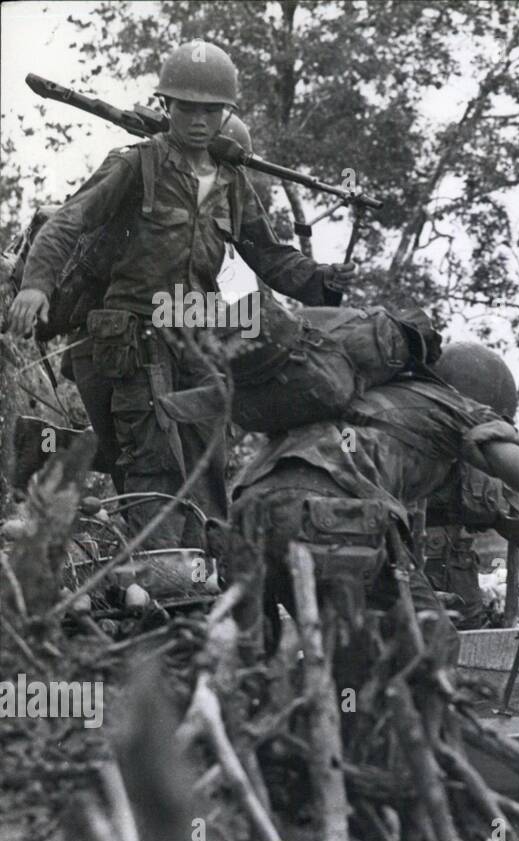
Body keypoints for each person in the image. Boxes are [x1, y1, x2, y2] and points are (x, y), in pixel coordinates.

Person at [7, 41, 355, 546]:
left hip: (193, 336)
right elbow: (68, 222)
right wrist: (36, 287)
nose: (198, 119)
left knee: (207, 455)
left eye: (211, 109)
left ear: (225, 114)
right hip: (132, 340)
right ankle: (160, 569)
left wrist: (322, 279)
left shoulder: (233, 183)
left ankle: (202, 561)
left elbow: (270, 255)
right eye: (187, 107)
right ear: (166, 106)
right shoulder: (136, 164)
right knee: (152, 459)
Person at [228, 365, 519, 665]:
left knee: (266, 656)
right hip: (328, 513)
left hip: (246, 509)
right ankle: (408, 745)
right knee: (431, 643)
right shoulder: (459, 410)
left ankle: (303, 736)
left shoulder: (367, 394)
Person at [419, 342, 519, 629]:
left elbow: (513, 507)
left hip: (458, 568)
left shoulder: (478, 455)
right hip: (423, 568)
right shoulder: (415, 440)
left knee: (467, 633)